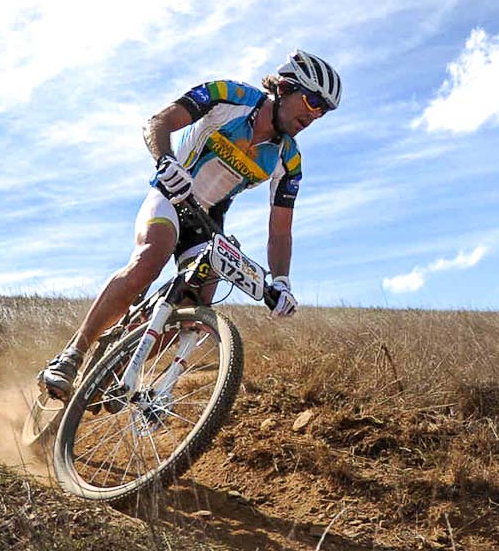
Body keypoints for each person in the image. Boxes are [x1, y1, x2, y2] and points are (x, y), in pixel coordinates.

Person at [37, 51, 342, 398]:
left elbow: (280, 230)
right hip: (171, 193)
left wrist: (282, 281)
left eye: (323, 111)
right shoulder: (230, 96)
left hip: (207, 221)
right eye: (312, 101)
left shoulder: (289, 158)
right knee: (149, 260)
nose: (314, 115)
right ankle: (72, 355)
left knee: (195, 307)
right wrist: (165, 162)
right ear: (285, 88)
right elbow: (158, 122)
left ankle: (113, 371)